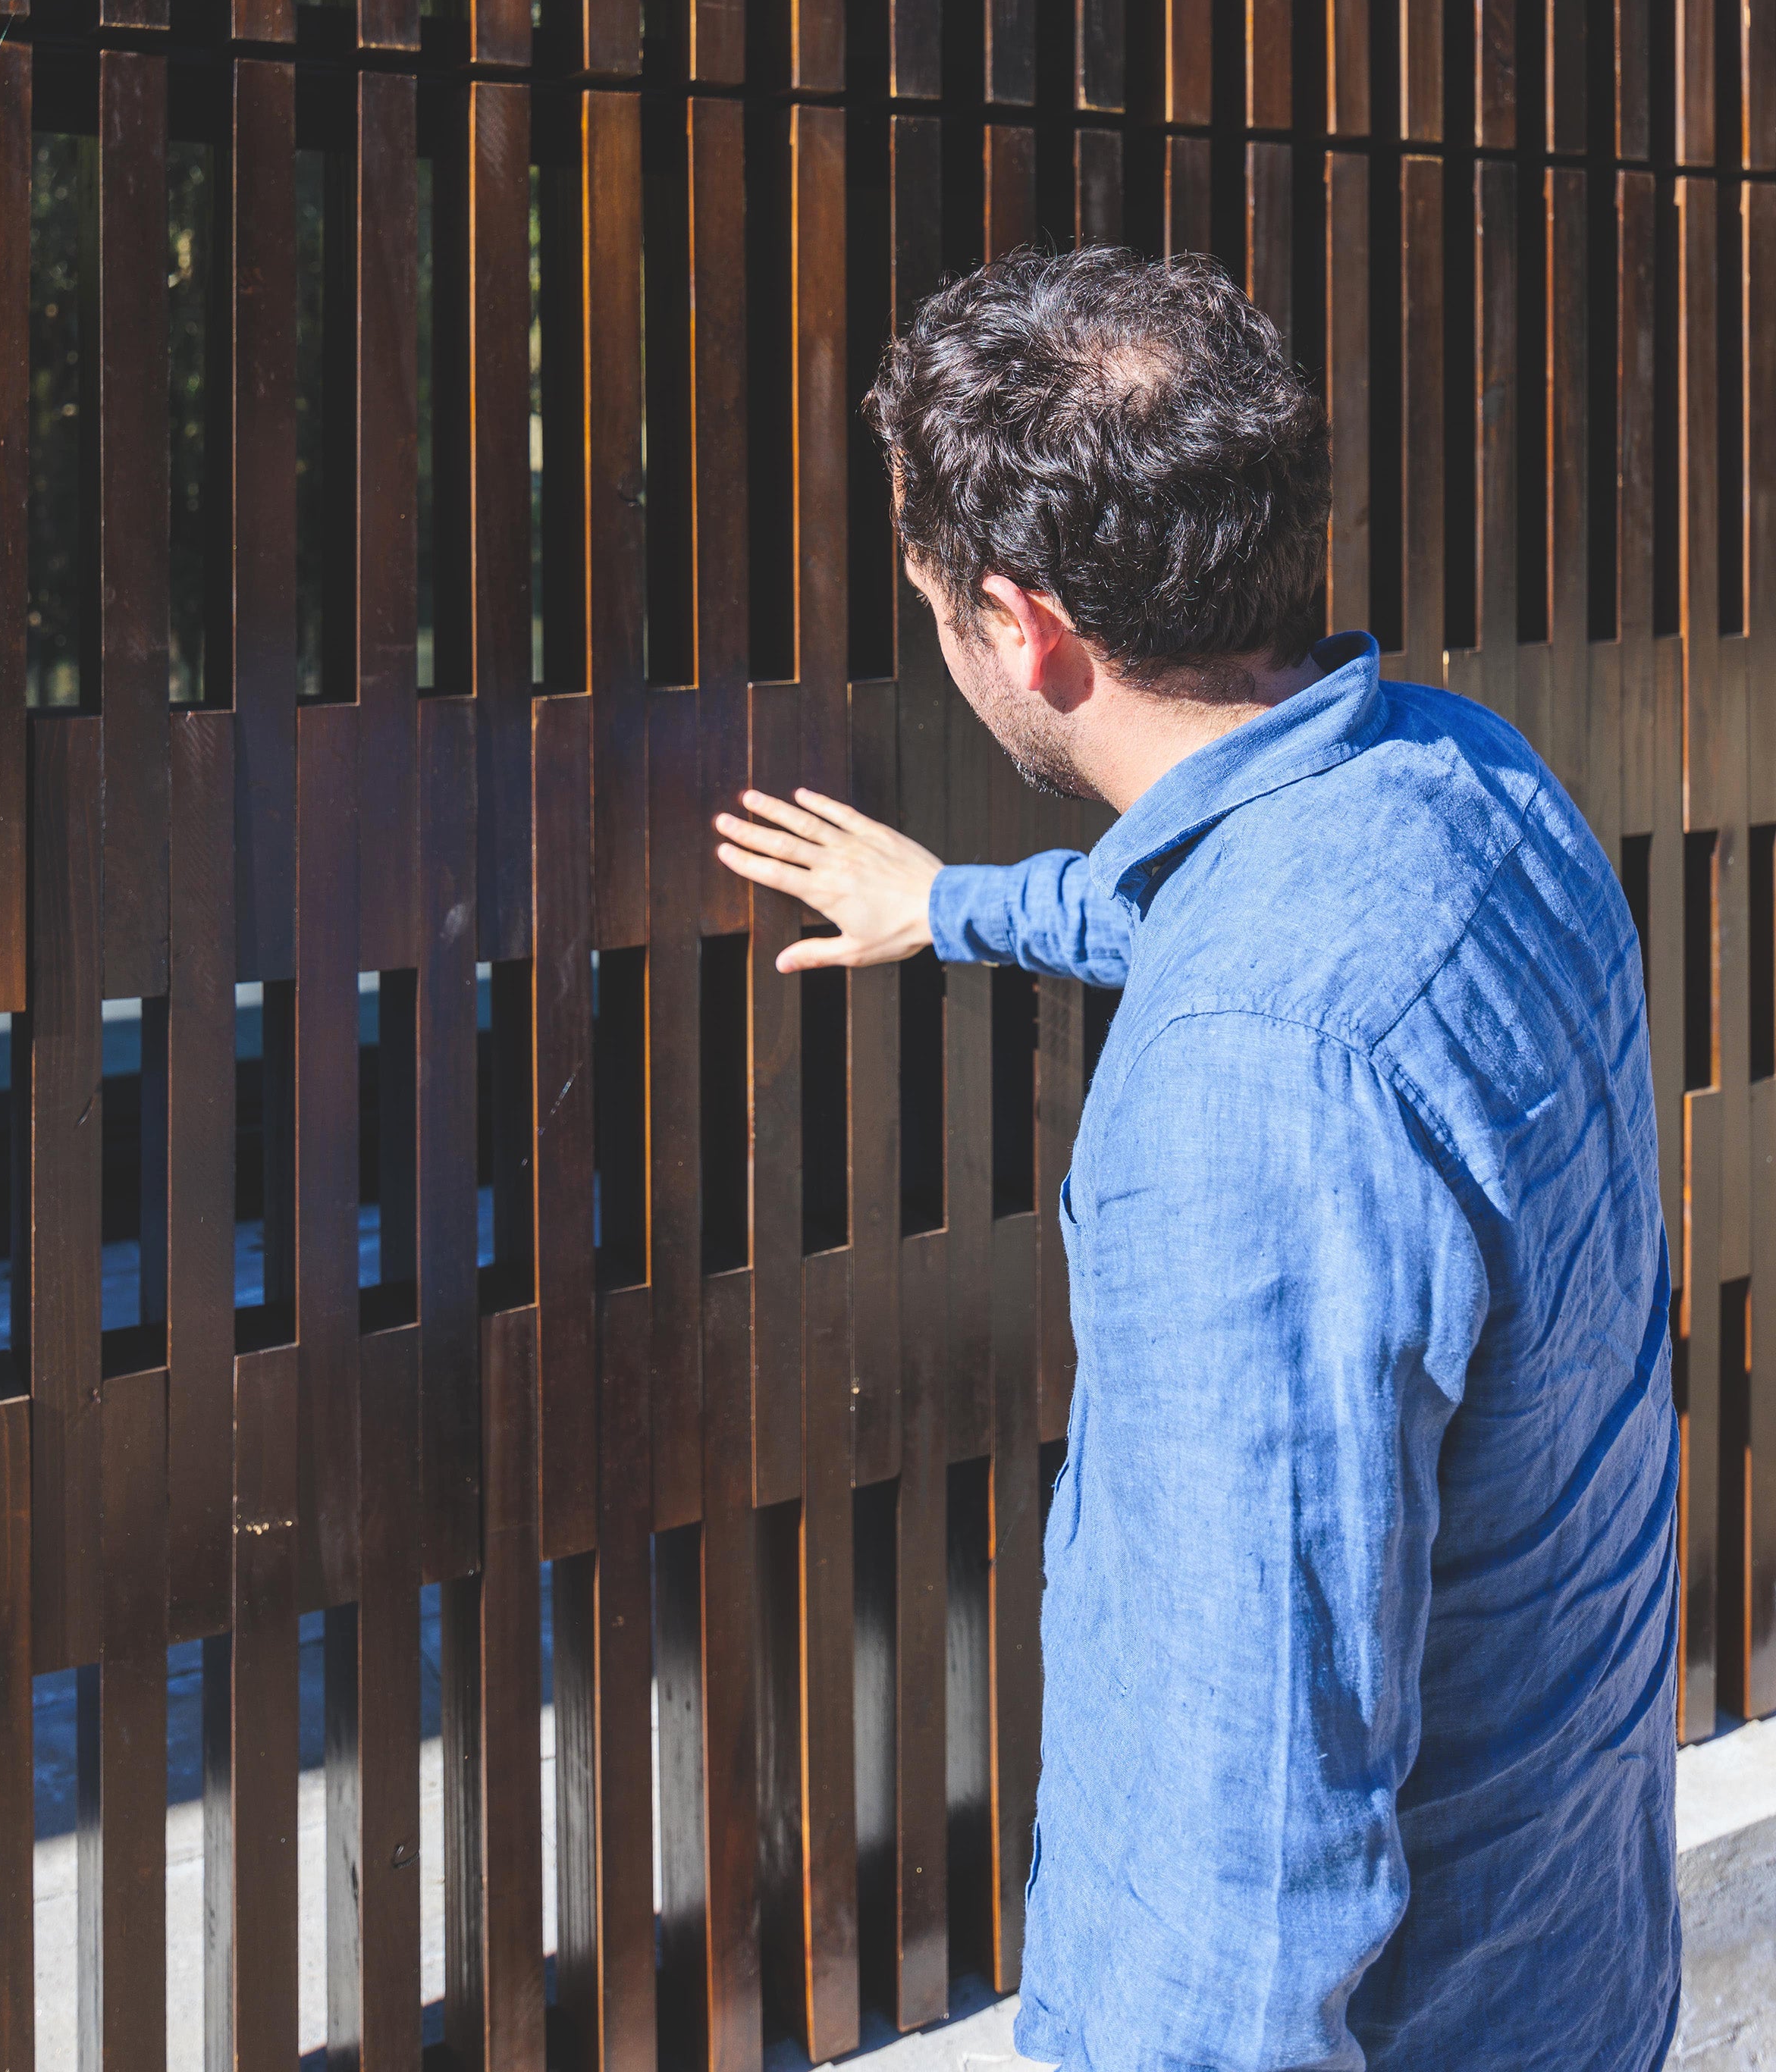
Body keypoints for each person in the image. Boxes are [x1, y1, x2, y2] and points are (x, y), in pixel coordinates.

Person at [714, 246, 1680, 2072]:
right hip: (1577, 1967)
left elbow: (1239, 1858)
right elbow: (1222, 891)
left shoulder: (1252, 1085)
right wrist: (952, 903)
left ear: (1024, 628)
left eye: (927, 596)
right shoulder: (1462, 782)